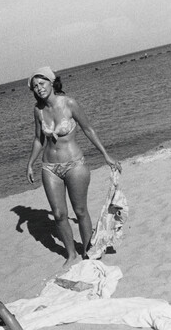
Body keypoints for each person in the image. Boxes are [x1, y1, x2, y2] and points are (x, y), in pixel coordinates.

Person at [25, 67, 122, 267]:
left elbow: (88, 129)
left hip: (75, 164)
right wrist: (30, 163)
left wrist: (106, 155)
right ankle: (71, 254)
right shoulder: (38, 110)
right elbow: (38, 139)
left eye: (42, 84)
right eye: (35, 86)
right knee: (59, 214)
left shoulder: (69, 103)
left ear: (51, 82)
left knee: (80, 211)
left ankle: (88, 251)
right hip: (49, 167)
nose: (39, 89)